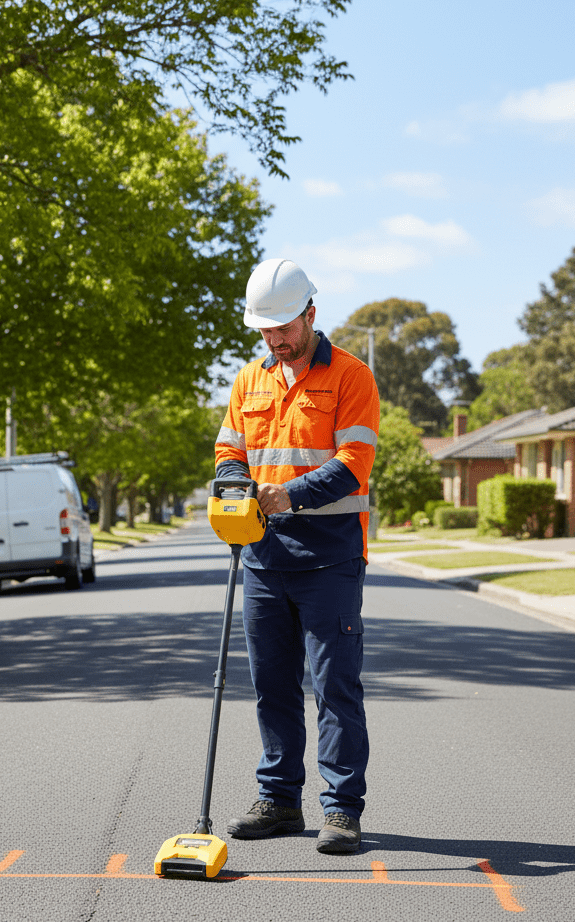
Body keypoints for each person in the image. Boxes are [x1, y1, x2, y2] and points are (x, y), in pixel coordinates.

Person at [215, 257, 379, 854]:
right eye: (266, 330)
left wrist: (288, 494)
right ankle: (280, 800)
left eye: (284, 327)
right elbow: (228, 450)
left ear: (311, 313)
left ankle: (340, 811)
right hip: (262, 558)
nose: (276, 340)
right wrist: (233, 490)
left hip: (330, 560)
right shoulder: (248, 381)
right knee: (272, 687)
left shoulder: (352, 377)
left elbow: (353, 464)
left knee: (335, 686)